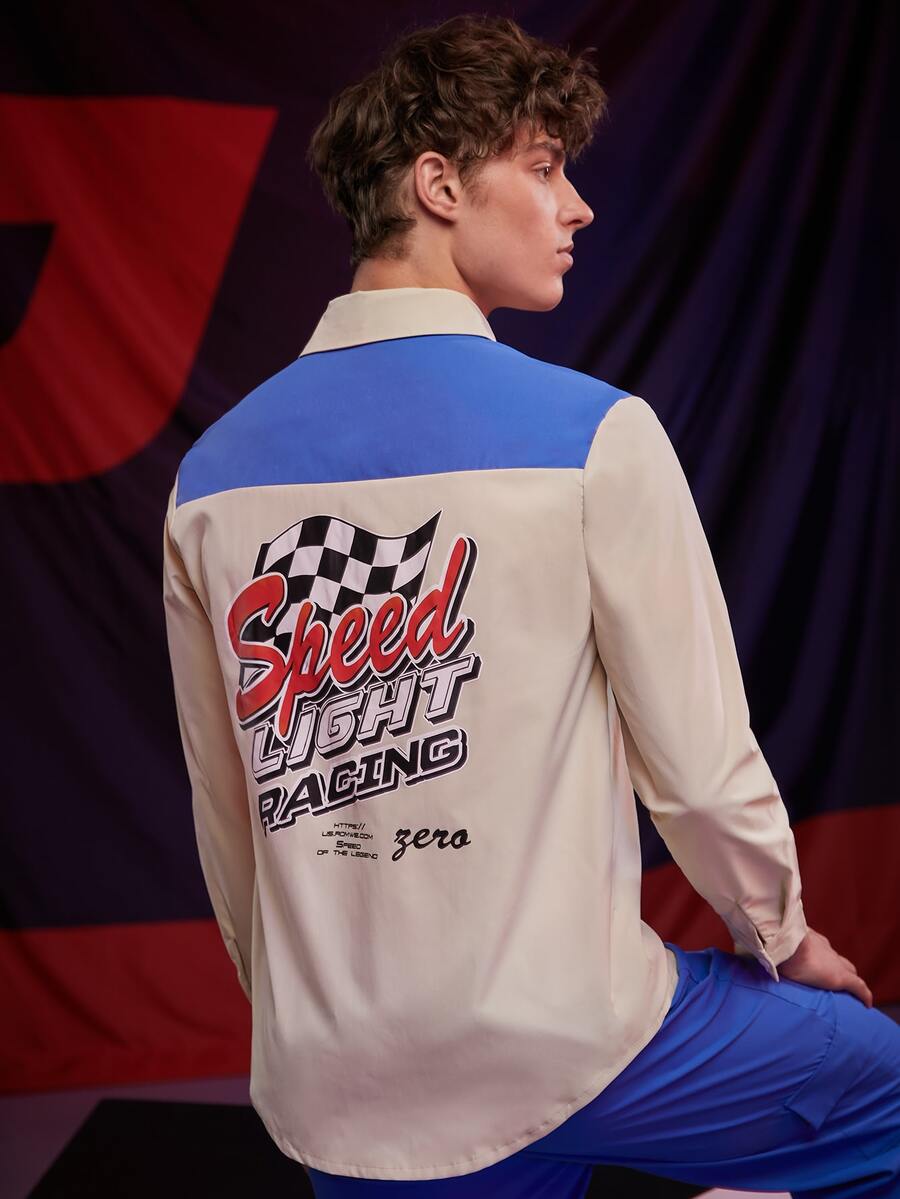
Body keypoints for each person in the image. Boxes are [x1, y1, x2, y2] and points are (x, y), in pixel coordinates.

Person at [161, 13, 900, 1198]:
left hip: (337, 1082)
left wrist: (306, 1018)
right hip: (576, 1046)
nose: (578, 207)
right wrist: (783, 934)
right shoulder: (595, 435)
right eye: (546, 167)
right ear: (440, 185)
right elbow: (700, 773)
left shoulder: (210, 477)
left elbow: (227, 805)